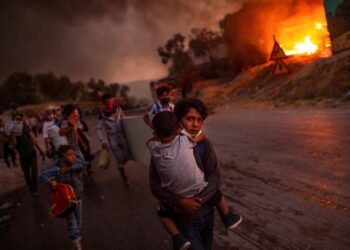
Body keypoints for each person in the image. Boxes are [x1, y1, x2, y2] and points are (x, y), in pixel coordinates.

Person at [150, 98, 242, 250]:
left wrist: (197, 200)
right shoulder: (162, 151)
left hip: (207, 213)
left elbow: (214, 177)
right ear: (177, 122)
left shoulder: (203, 144)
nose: (196, 125)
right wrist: (180, 201)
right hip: (182, 218)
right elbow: (155, 186)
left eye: (200, 120)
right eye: (189, 119)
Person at [40, 145, 84, 250]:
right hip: (66, 200)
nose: (73, 157)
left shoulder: (75, 164)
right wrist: (51, 182)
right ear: (62, 157)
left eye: (74, 154)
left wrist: (68, 169)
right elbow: (42, 175)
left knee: (78, 221)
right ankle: (77, 243)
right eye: (69, 155)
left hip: (78, 197)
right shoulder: (58, 168)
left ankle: (75, 239)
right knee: (72, 221)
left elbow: (80, 166)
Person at [96, 94, 130, 185]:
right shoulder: (102, 115)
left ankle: (121, 166)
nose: (109, 103)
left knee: (127, 153)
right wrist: (102, 141)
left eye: (110, 101)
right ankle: (124, 176)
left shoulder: (118, 110)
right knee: (119, 157)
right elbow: (99, 128)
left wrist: (130, 133)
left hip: (122, 135)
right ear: (104, 103)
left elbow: (125, 120)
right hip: (112, 137)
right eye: (107, 102)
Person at [10, 112, 45, 196]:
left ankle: (35, 189)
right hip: (22, 154)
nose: (18, 121)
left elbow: (33, 139)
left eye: (19, 119)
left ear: (22, 119)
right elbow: (14, 144)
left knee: (34, 171)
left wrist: (40, 150)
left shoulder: (26, 127)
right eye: (16, 119)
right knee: (26, 173)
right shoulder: (12, 131)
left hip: (31, 152)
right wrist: (13, 134)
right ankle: (30, 187)